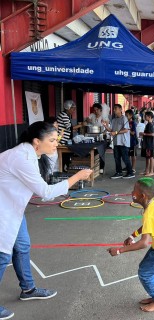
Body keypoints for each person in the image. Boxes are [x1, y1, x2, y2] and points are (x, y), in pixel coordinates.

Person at [0, 122, 92, 320]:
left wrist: (51, 152)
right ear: (36, 142)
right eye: (51, 140)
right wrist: (77, 176)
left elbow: (46, 175)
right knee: (2, 257)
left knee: (22, 246)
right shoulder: (21, 158)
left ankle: (28, 289)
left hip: (12, 209)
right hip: (3, 212)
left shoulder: (31, 154)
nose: (55, 144)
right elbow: (45, 193)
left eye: (56, 139)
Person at [107, 178, 154, 313]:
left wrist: (119, 251)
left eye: (134, 190)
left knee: (145, 273)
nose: (132, 192)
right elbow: (148, 226)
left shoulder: (149, 212)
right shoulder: (152, 205)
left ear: (142, 196)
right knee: (145, 269)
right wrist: (133, 235)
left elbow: (143, 243)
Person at [103, 104, 135, 179]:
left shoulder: (124, 118)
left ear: (120, 109)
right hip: (116, 142)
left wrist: (115, 133)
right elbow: (111, 130)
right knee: (116, 158)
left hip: (123, 142)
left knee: (125, 158)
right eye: (113, 109)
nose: (114, 110)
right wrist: (105, 126)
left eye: (116, 108)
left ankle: (130, 172)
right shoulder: (113, 120)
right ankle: (119, 172)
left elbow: (126, 130)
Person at [140, 112, 154, 177]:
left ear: (149, 117)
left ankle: (151, 171)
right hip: (147, 143)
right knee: (147, 157)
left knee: (151, 157)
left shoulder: (150, 125)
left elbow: (152, 134)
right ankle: (147, 170)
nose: (144, 117)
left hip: (149, 144)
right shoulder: (148, 124)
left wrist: (144, 134)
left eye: (145, 116)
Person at [125, 109, 138, 174]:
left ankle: (133, 168)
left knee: (133, 155)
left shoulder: (133, 123)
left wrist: (127, 130)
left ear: (131, 115)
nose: (126, 117)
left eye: (127, 115)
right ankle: (128, 166)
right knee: (128, 155)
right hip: (127, 142)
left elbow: (133, 133)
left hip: (133, 142)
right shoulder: (126, 122)